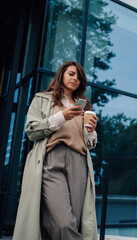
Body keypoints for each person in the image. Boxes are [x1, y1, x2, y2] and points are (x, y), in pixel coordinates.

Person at [13, 61, 98, 240]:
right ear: (61, 75)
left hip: (78, 162)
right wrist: (62, 116)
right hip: (52, 159)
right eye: (71, 74)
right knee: (63, 222)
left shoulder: (83, 105)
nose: (75, 79)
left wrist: (90, 131)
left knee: (73, 221)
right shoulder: (42, 99)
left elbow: (90, 144)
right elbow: (31, 130)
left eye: (79, 77)